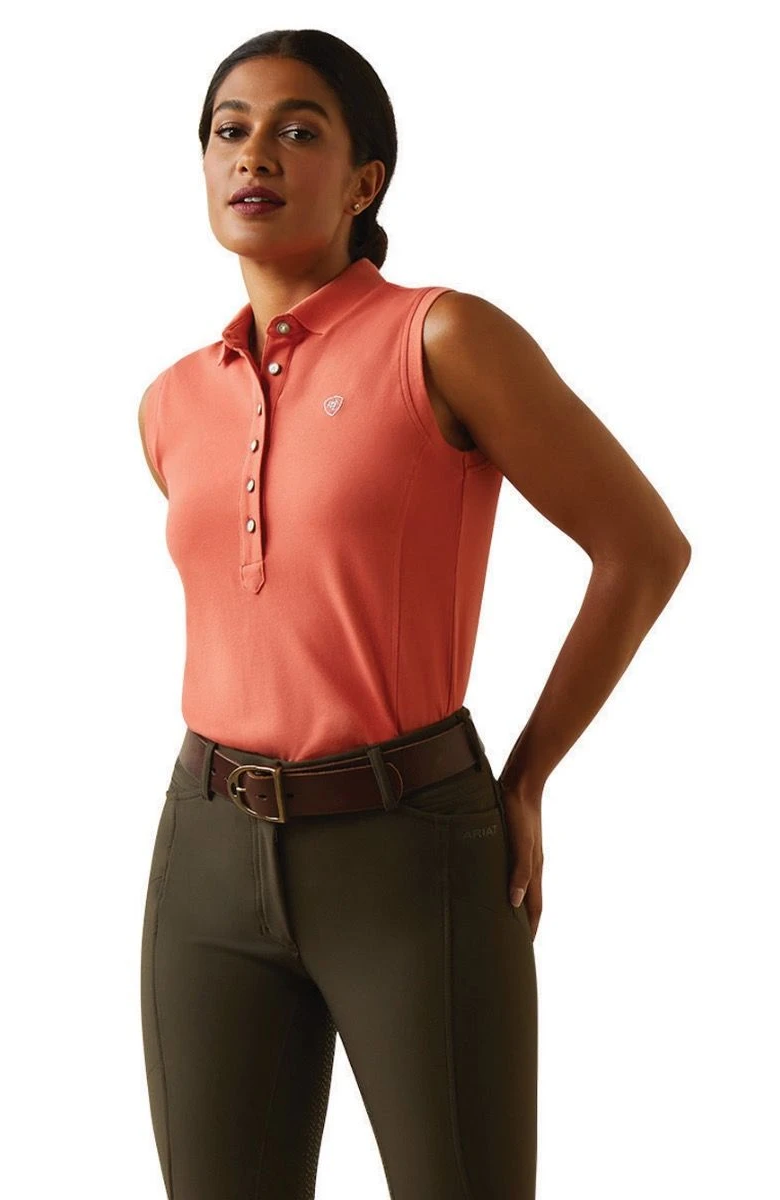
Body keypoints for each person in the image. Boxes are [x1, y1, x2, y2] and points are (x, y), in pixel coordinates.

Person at [137, 29, 691, 1200]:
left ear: (364, 182)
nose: (254, 155)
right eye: (229, 130)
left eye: (298, 131)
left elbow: (642, 549)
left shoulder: (441, 337)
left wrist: (526, 779)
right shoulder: (172, 402)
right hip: (205, 852)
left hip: (409, 849)